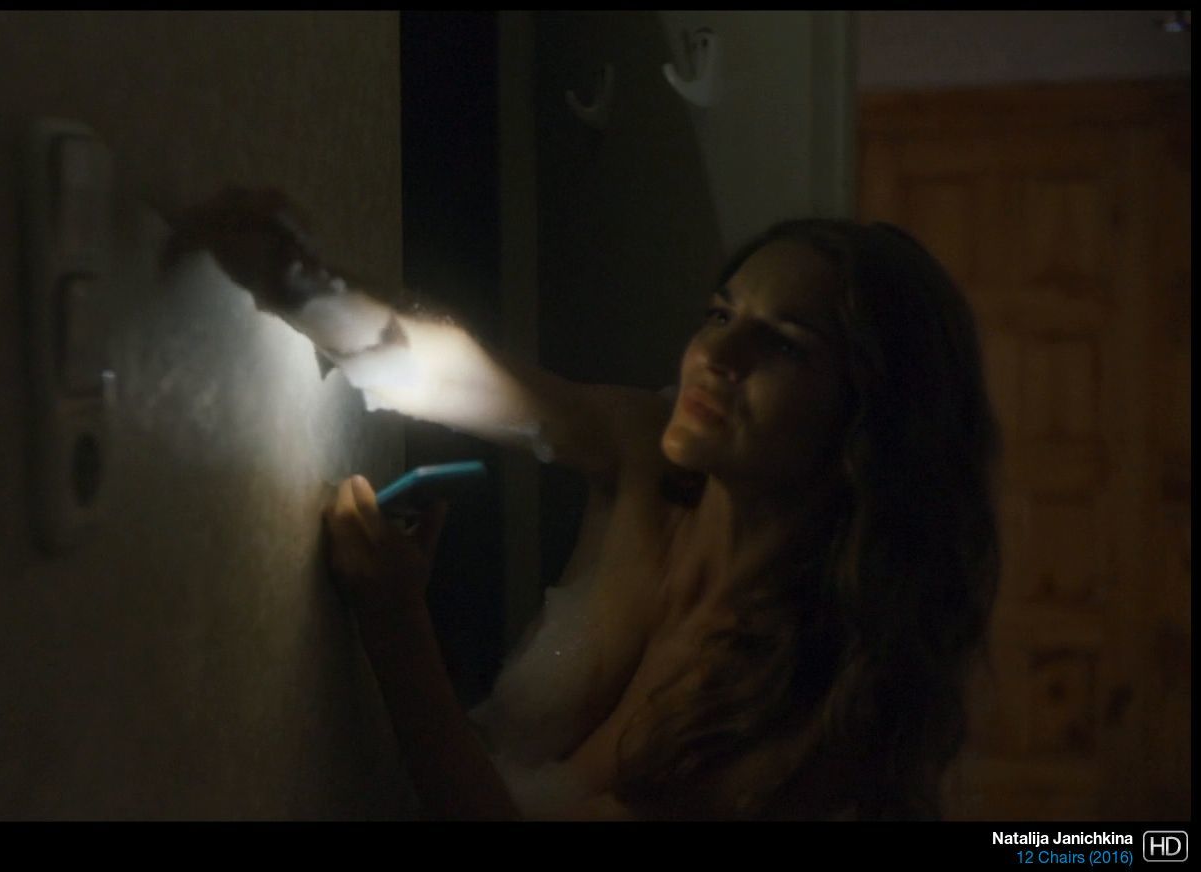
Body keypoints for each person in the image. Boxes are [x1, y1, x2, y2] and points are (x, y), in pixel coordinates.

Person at [171, 193, 1001, 820]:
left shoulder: (822, 699)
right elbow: (450, 372)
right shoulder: (646, 456)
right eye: (722, 313)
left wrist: (394, 618)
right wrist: (298, 281)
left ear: (870, 418)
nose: (717, 353)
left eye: (783, 343)